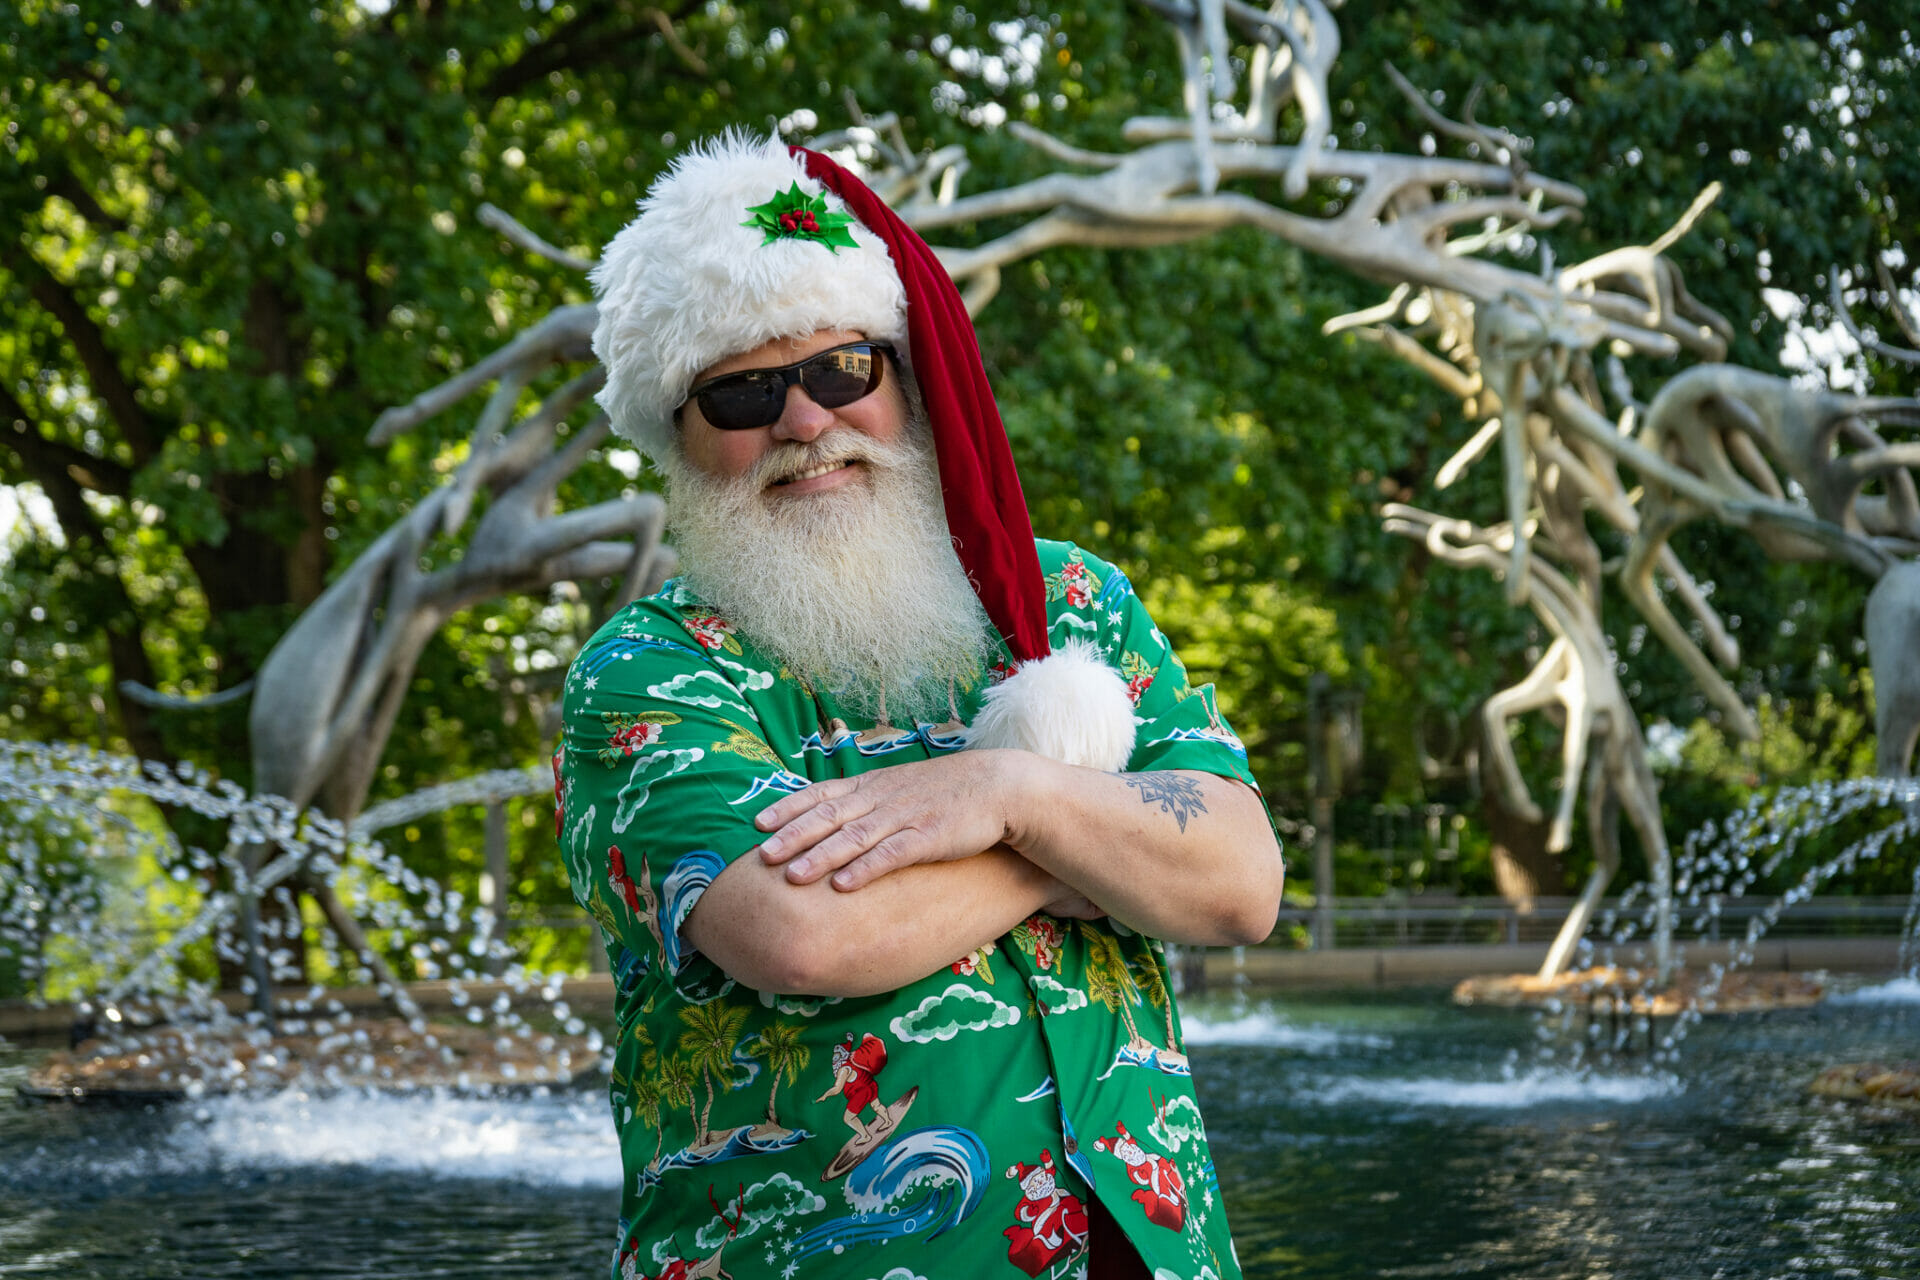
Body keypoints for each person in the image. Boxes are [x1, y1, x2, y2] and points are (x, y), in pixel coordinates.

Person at [556, 131, 1284, 1280]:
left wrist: (1006, 787)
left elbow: (1240, 882)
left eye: (845, 367)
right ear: (680, 437)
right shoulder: (646, 673)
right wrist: (1085, 840)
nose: (804, 421)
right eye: (742, 390)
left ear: (907, 377)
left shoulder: (1072, 600)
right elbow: (807, 934)